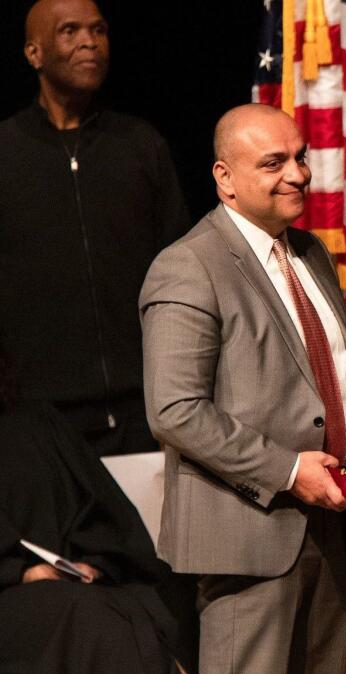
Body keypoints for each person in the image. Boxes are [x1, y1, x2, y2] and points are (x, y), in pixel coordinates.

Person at [140, 103, 346, 673]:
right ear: (225, 178)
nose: (296, 174)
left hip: (331, 528)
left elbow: (328, 376)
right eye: (273, 163)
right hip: (249, 536)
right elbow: (174, 410)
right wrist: (291, 472)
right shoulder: (189, 266)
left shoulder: (311, 253)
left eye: (300, 157)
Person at [0, 0, 190, 457]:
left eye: (99, 29)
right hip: (38, 423)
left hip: (144, 414)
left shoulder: (142, 145)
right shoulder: (5, 151)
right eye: (70, 31)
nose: (90, 41)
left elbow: (183, 271)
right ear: (33, 52)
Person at [0, 346, 180, 674]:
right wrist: (20, 574)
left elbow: (103, 515)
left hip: (74, 590)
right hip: (16, 601)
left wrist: (94, 563)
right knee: (93, 618)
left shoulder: (36, 422)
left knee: (137, 606)